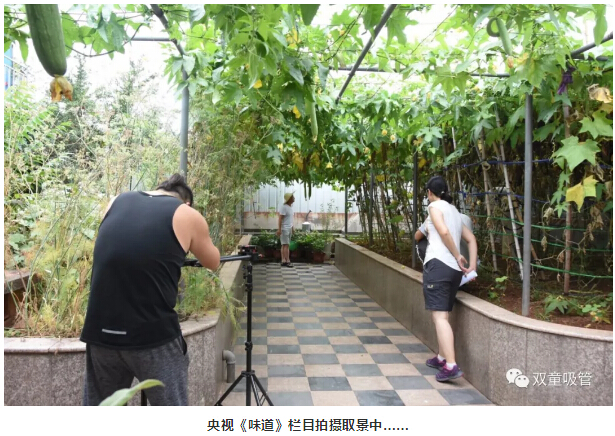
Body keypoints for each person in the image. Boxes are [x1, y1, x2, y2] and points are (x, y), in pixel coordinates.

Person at [80, 174, 220, 405]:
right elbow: (213, 262)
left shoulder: (117, 201)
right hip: (153, 336)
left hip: (100, 333)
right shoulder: (186, 213)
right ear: (187, 202)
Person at [420, 176, 477, 382]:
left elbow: (443, 232)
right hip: (453, 271)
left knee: (439, 318)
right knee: (442, 314)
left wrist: (457, 254)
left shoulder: (434, 207)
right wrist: (472, 266)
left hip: (439, 266)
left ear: (429, 192)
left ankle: (451, 365)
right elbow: (471, 239)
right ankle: (442, 357)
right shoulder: (453, 210)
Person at [276, 192, 295, 267]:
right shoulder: (284, 207)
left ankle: (283, 260)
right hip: (284, 229)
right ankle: (287, 261)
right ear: (289, 199)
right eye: (292, 197)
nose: (294, 198)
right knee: (285, 245)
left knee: (285, 245)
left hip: (289, 228)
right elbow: (280, 219)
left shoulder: (290, 208)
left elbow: (290, 220)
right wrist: (279, 229)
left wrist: (292, 228)